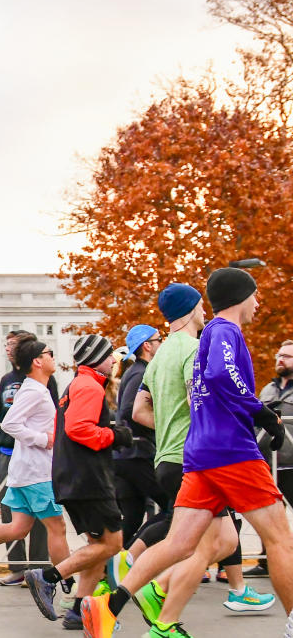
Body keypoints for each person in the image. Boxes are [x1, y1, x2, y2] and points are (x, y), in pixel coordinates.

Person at [82, 268, 293, 638]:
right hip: (231, 452)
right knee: (280, 539)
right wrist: (262, 413)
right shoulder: (225, 330)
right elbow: (220, 377)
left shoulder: (206, 334)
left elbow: (164, 400)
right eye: (256, 295)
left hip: (196, 454)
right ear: (242, 296)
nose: (259, 303)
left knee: (180, 543)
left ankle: (108, 606)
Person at [23, 334, 132, 627]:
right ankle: (46, 577)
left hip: (75, 477)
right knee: (112, 544)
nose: (113, 360)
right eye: (109, 355)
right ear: (97, 358)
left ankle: (76, 612)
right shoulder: (88, 386)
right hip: (88, 479)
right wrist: (115, 435)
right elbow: (78, 429)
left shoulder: (81, 384)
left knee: (97, 545)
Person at [0, 339, 75, 624]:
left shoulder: (36, 389)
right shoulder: (35, 391)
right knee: (57, 527)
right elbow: (11, 423)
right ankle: (65, 588)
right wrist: (45, 440)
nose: (53, 356)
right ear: (38, 361)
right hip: (36, 474)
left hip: (25, 472)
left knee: (17, 528)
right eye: (49, 353)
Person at [0, 331, 58, 586]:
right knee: (13, 516)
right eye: (6, 344)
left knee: (41, 520)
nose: (8, 349)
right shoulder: (8, 380)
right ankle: (19, 567)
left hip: (36, 460)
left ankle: (39, 567)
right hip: (13, 455)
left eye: (13, 345)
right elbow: (2, 419)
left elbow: (52, 418)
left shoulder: (41, 382)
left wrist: (45, 440)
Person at [114, 324, 167, 543]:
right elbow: (129, 410)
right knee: (173, 508)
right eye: (159, 339)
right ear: (147, 346)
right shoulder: (142, 373)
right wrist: (161, 424)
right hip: (137, 453)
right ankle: (136, 556)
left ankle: (111, 567)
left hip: (127, 455)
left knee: (134, 516)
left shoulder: (134, 371)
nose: (162, 343)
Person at [251, 339, 293, 576]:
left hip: (291, 462)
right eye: (279, 355)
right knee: (267, 511)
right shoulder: (268, 389)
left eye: (287, 356)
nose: (280, 359)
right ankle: (266, 561)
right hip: (267, 460)